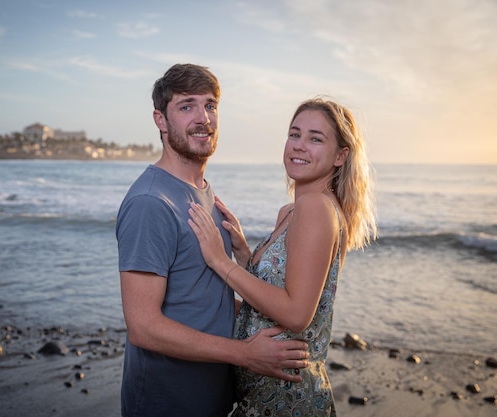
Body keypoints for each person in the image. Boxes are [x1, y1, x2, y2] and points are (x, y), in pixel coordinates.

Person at [116, 63, 309, 417]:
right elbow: (143, 327)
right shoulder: (150, 203)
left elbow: (202, 296)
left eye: (210, 105)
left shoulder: (202, 190)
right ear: (161, 120)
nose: (203, 118)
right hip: (166, 403)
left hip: (212, 398)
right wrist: (244, 353)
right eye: (186, 106)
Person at [188, 97, 378, 416]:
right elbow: (284, 288)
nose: (299, 146)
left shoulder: (315, 208)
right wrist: (245, 253)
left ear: (340, 156)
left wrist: (219, 261)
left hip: (287, 397)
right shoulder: (292, 211)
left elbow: (296, 314)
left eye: (315, 139)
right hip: (266, 392)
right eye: (295, 134)